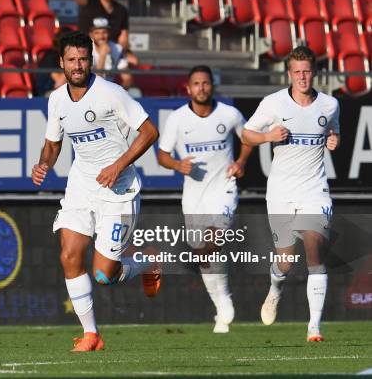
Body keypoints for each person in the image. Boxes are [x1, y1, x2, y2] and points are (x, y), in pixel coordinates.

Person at [31, 31, 160, 352]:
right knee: (68, 255)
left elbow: (149, 132)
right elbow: (53, 143)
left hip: (119, 190)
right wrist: (43, 163)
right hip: (81, 186)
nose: (77, 65)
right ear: (61, 62)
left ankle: (147, 262)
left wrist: (118, 165)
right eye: (71, 60)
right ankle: (91, 335)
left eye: (83, 59)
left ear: (92, 60)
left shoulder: (111, 93)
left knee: (104, 275)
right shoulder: (57, 99)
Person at [241, 46, 340, 342]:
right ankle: (275, 289)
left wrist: (334, 139)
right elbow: (246, 134)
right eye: (297, 71)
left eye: (307, 71)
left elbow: (333, 131)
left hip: (315, 191)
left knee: (314, 250)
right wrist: (267, 136)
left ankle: (314, 328)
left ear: (315, 72)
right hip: (281, 192)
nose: (302, 77)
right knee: (285, 261)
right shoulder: (273, 103)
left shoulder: (330, 104)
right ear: (289, 73)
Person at [157, 65, 253, 334]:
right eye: (196, 83)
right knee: (205, 254)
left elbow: (248, 139)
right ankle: (222, 302)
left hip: (223, 188)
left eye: (206, 83)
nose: (201, 88)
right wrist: (177, 165)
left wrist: (241, 161)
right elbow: (162, 155)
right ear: (188, 88)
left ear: (213, 86)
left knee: (214, 239)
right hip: (193, 196)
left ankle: (222, 301)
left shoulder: (229, 114)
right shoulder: (177, 119)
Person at [69, 0, 138, 65]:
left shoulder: (121, 10)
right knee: (101, 54)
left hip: (111, 47)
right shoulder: (90, 1)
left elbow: (123, 37)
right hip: (85, 47)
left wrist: (122, 52)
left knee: (133, 62)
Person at [89, 16, 133, 90]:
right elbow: (96, 82)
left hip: (110, 91)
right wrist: (103, 56)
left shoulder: (117, 48)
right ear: (91, 34)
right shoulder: (85, 49)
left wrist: (120, 93)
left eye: (104, 32)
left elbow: (127, 78)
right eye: (97, 33)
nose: (101, 36)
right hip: (90, 90)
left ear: (109, 33)